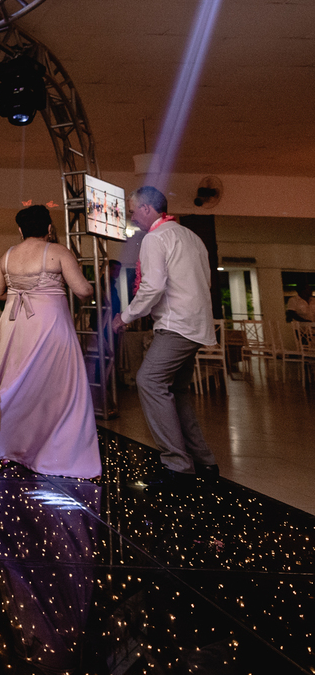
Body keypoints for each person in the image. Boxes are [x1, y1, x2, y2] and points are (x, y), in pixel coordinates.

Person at [0, 205, 101, 479]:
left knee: (14, 381)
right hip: (49, 324)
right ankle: (53, 450)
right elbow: (82, 290)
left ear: (20, 229)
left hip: (15, 326)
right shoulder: (57, 252)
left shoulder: (7, 256)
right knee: (58, 388)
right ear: (49, 228)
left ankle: (0, 443)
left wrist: (20, 294)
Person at [113, 186, 219, 484]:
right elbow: (206, 281)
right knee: (177, 391)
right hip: (197, 325)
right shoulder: (192, 237)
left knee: (149, 381)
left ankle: (177, 465)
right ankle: (204, 461)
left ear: (147, 208)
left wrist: (126, 316)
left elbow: (153, 285)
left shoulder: (155, 238)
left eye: (133, 210)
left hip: (176, 325)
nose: (131, 216)